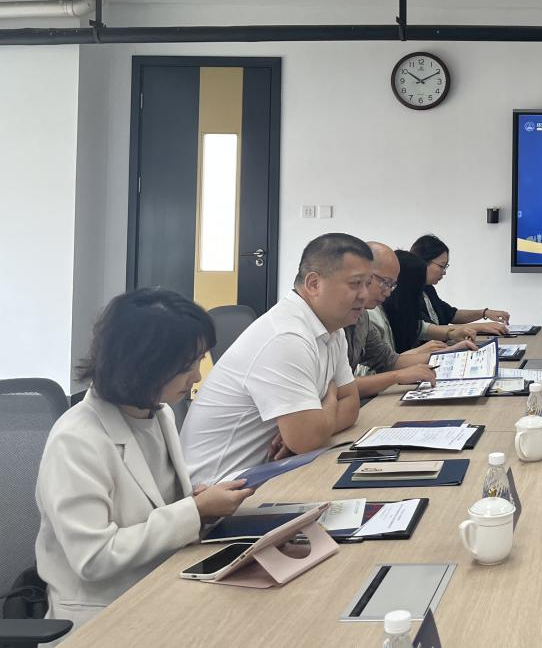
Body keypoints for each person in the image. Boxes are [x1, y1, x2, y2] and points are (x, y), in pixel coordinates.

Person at [35, 289, 253, 634]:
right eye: (187, 366)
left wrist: (196, 503)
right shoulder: (76, 440)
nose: (197, 377)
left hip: (164, 586)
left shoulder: (158, 413)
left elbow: (154, 505)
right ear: (145, 363)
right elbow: (94, 558)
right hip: (106, 616)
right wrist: (192, 512)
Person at [181, 233, 368, 485]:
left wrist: (314, 424)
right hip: (219, 488)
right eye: (355, 284)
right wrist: (331, 397)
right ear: (314, 284)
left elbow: (352, 407)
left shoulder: (333, 330)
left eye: (367, 284)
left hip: (270, 473)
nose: (364, 295)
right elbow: (306, 439)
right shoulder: (286, 336)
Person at [347, 241, 476, 399]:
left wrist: (450, 352)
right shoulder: (348, 319)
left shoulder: (363, 317)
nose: (388, 292)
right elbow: (341, 387)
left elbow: (389, 360)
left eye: (392, 285)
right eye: (385, 283)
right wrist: (398, 375)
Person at [411, 234, 510, 336]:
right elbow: (431, 330)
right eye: (441, 266)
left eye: (445, 267)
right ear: (423, 262)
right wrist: (481, 327)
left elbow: (452, 314)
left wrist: (484, 313)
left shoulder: (428, 289)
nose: (444, 272)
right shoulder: (409, 293)